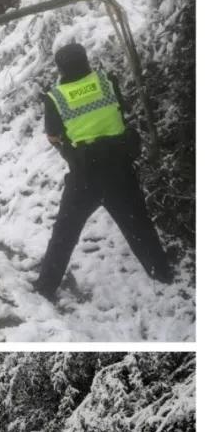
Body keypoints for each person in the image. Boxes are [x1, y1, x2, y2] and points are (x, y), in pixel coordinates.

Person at [33, 42, 173, 302]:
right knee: (138, 223)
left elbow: (52, 136)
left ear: (60, 68)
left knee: (65, 231)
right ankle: (161, 272)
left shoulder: (56, 97)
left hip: (85, 174)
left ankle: (45, 286)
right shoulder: (108, 81)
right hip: (119, 168)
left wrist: (67, 151)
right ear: (86, 60)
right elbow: (121, 110)